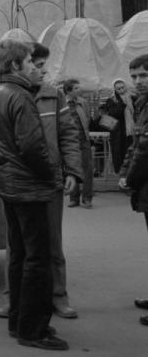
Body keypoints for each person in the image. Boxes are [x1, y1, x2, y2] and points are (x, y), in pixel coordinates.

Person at [0, 42, 82, 321]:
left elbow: (68, 135)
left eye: (41, 63)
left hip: (51, 183)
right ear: (19, 65)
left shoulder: (53, 96)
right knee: (19, 247)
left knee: (52, 244)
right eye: (33, 63)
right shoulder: (0, 96)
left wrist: (72, 171)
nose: (38, 68)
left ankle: (58, 296)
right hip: (23, 184)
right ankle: (14, 300)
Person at [117, 54, 148, 326]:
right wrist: (125, 172)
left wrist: (130, 178)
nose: (137, 81)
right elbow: (136, 143)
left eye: (143, 75)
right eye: (134, 75)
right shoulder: (141, 103)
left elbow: (145, 149)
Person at [63, 78, 94, 209]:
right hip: (70, 141)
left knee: (88, 169)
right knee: (72, 168)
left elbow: (87, 118)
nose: (79, 90)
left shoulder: (84, 103)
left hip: (83, 139)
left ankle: (87, 198)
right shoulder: (63, 104)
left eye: (78, 87)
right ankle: (74, 198)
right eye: (76, 88)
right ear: (68, 91)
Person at [101, 79, 134, 175]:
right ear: (115, 90)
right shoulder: (112, 100)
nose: (121, 90)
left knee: (131, 156)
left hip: (131, 132)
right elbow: (114, 114)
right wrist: (122, 102)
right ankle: (121, 177)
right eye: (118, 89)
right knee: (119, 156)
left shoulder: (131, 98)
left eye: (123, 87)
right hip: (118, 134)